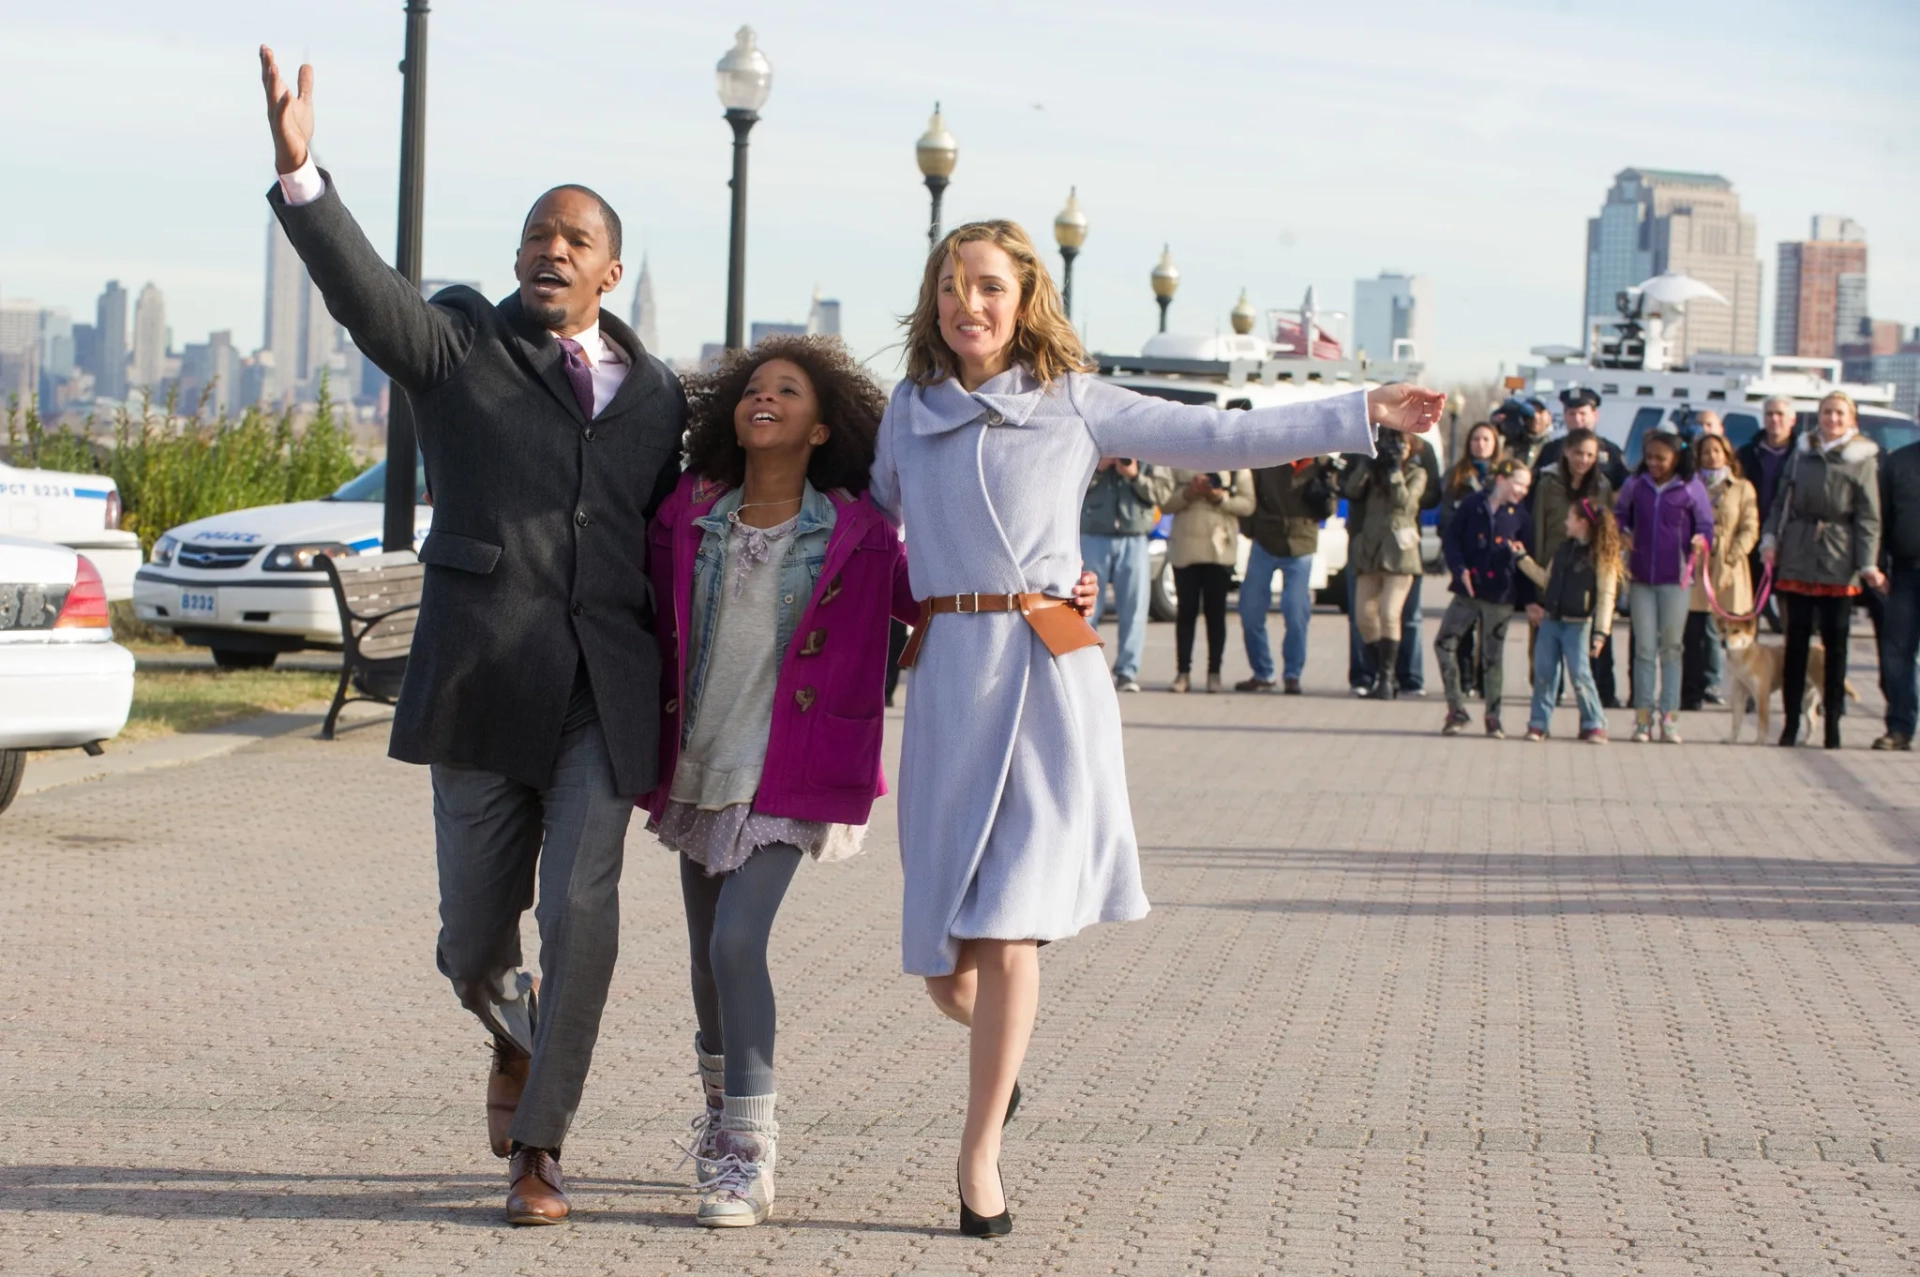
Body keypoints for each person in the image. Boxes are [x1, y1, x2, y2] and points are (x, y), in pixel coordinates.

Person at [872, 219, 1443, 1235]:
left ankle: (979, 1158)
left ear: (1027, 296)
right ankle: (997, 1070)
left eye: (992, 286)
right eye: (955, 286)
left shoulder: (1076, 402)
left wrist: (1366, 408)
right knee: (941, 966)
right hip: (951, 681)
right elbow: (862, 525)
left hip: (1049, 680)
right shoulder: (906, 416)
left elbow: (1224, 436)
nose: (972, 304)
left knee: (1010, 923)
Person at [258, 50, 685, 1225]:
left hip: (603, 691)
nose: (551, 248)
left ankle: (539, 1146)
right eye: (535, 234)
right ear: (514, 260)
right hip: (484, 686)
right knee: (469, 942)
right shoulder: (458, 343)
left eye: (575, 238)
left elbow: (685, 535)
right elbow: (367, 297)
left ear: (609, 269)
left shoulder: (658, 396)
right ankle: (511, 1026)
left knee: (584, 906)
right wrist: (303, 176)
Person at [645, 337, 910, 1227]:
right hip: (698, 761)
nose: (764, 398)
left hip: (791, 769)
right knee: (703, 959)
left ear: (822, 424)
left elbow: (936, 596)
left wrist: (1049, 589)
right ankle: (720, 1122)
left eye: (787, 390)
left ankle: (749, 1150)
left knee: (735, 943)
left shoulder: (857, 532)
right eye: (753, 388)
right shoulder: (690, 512)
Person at [1761, 391, 1884, 748]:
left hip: (1838, 555)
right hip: (1799, 552)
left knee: (1836, 646)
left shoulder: (1861, 458)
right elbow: (1782, 500)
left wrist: (1868, 563)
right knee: (1796, 642)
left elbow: (1868, 516)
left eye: (1839, 414)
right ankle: (1790, 723)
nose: (1832, 419)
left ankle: (1833, 723)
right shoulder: (1802, 453)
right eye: (1827, 413)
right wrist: (1770, 541)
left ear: (1851, 419)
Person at [1615, 426, 1714, 744]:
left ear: (1677, 457)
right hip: (1641, 576)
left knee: (1671, 648)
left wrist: (1701, 540)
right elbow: (1619, 513)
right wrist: (1623, 531)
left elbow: (1706, 523)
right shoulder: (1635, 484)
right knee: (1644, 649)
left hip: (1677, 578)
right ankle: (1642, 718)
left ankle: (1670, 718)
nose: (1655, 463)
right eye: (1650, 457)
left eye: (1662, 458)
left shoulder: (1690, 486)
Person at [1436, 458, 1533, 737]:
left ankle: (1493, 716)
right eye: (1519, 484)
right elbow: (1451, 538)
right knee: (1444, 643)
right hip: (1468, 591)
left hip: (1500, 596)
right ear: (1502, 479)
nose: (1523, 490)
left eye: (1527, 486)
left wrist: (1529, 601)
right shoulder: (1472, 504)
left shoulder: (1519, 515)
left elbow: (1527, 562)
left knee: (1492, 656)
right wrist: (1459, 569)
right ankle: (1456, 709)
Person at [1517, 498, 1621, 742]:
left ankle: (1594, 722)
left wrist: (1601, 632)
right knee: (1544, 672)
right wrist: (1522, 559)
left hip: (1579, 623)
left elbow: (1607, 595)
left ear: (1583, 523)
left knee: (1580, 674)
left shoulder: (1600, 556)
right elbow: (1546, 579)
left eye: (1570, 518)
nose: (1565, 522)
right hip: (1552, 620)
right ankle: (1538, 722)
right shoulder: (1563, 549)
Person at [1532, 426, 1619, 706]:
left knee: (1590, 641)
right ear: (1567, 452)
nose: (1583, 460)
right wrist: (1536, 587)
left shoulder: (1601, 486)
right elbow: (1538, 529)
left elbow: (1605, 531)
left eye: (1590, 454)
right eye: (1578, 453)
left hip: (1588, 571)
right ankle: (1549, 697)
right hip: (1554, 567)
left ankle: (1600, 696)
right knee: (1548, 640)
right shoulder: (1548, 483)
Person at [1239, 456, 1337, 693]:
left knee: (1295, 611)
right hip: (1265, 538)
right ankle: (1263, 673)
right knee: (1250, 610)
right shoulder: (1269, 451)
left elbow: (1329, 506)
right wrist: (1250, 529)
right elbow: (1251, 491)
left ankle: (1293, 674)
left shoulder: (1320, 461)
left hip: (1301, 542)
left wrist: (1326, 477)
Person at [1343, 430, 1428, 699]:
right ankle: (1379, 670)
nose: (1395, 449)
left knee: (1390, 613)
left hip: (1400, 552)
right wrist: (1368, 465)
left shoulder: (1417, 473)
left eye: (1400, 445)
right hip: (1370, 550)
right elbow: (1351, 490)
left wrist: (1394, 472)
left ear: (1411, 448)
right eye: (1389, 445)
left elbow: (1406, 503)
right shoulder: (1373, 471)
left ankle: (1388, 679)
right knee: (1364, 615)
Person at [1081, 457, 1174, 693]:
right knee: (1084, 610)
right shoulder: (1094, 446)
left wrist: (1134, 475)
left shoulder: (1146, 446)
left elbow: (1164, 494)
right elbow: (1068, 487)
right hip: (1093, 534)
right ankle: (1084, 670)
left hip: (1134, 537)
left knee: (1134, 609)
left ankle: (1127, 671)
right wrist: (1099, 469)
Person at [1681, 433, 1757, 711]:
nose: (1711, 457)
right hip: (1699, 563)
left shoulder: (1741, 488)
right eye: (1705, 452)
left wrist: (1735, 554)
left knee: (1738, 636)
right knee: (1695, 633)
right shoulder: (1691, 486)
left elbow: (1750, 526)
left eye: (1716, 451)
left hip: (1730, 567)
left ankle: (1746, 693)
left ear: (1727, 454)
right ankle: (1692, 692)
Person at [1162, 469, 1255, 692]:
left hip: (1219, 551)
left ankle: (1215, 673)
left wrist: (1219, 496)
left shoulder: (1235, 461)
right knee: (1186, 612)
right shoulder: (1178, 458)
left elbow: (1248, 504)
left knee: (1216, 615)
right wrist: (1189, 492)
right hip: (1185, 550)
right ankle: (1183, 672)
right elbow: (1163, 502)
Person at [1437, 422, 1504, 699]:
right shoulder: (1457, 474)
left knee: (1489, 625)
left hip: (1493, 559)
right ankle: (1464, 680)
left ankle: (1484, 681)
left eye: (1486, 439)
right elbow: (1445, 516)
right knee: (1463, 624)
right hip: (1465, 558)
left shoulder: (1503, 473)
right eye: (1475, 439)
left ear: (1495, 444)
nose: (1480, 444)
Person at [1737, 396, 1800, 630]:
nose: (1774, 419)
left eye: (1780, 414)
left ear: (1792, 419)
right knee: (1747, 605)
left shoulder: (1802, 455)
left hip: (1789, 537)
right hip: (1752, 535)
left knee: (1789, 611)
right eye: (1769, 414)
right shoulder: (1747, 454)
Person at [1874, 436, 1920, 750]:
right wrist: (1877, 565)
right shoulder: (1899, 462)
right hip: (1906, 572)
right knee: (1896, 653)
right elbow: (1880, 518)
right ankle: (1900, 726)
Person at [1536, 388, 1629, 491]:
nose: (1577, 419)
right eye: (1572, 414)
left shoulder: (1611, 452)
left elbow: (1624, 491)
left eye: (1582, 414)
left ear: (1595, 415)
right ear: (1565, 416)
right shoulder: (1550, 450)